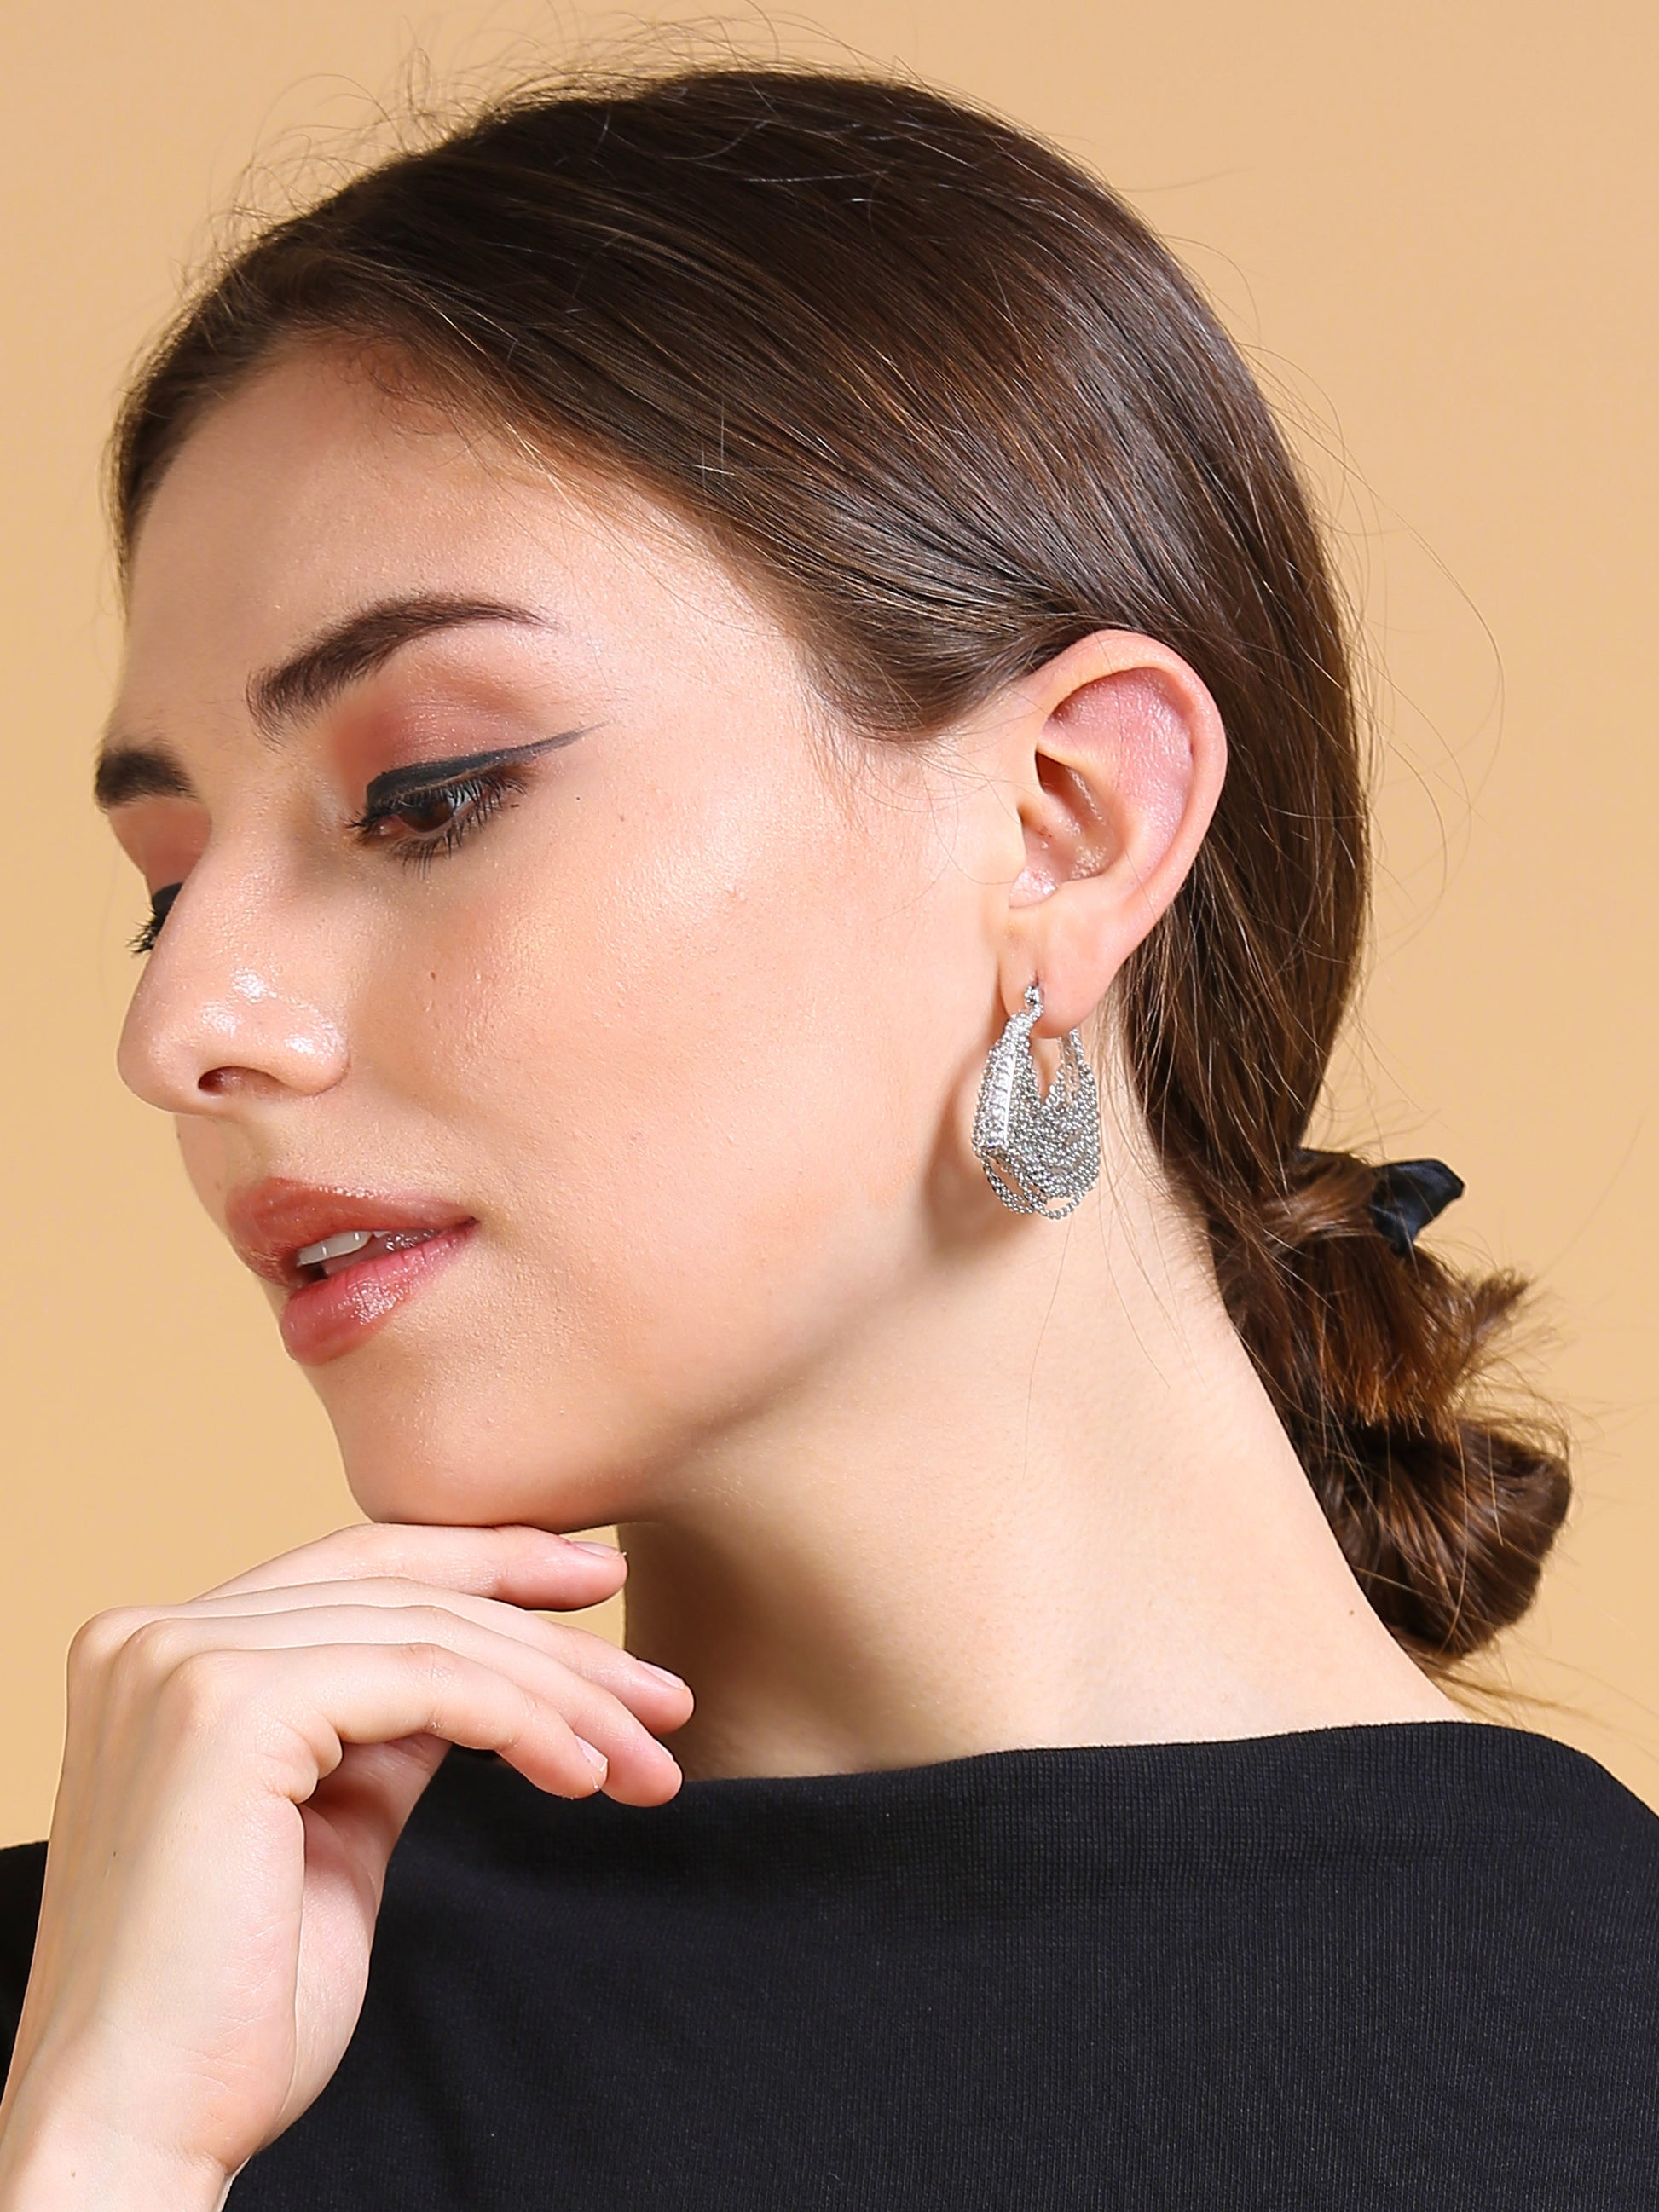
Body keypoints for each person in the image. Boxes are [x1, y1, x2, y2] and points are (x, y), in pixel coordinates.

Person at [0, 61, 1655, 2211]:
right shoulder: (102, 2026)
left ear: (1067, 822)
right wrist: (107, 2155)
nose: (181, 1026)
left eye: (425, 799)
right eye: (167, 877)